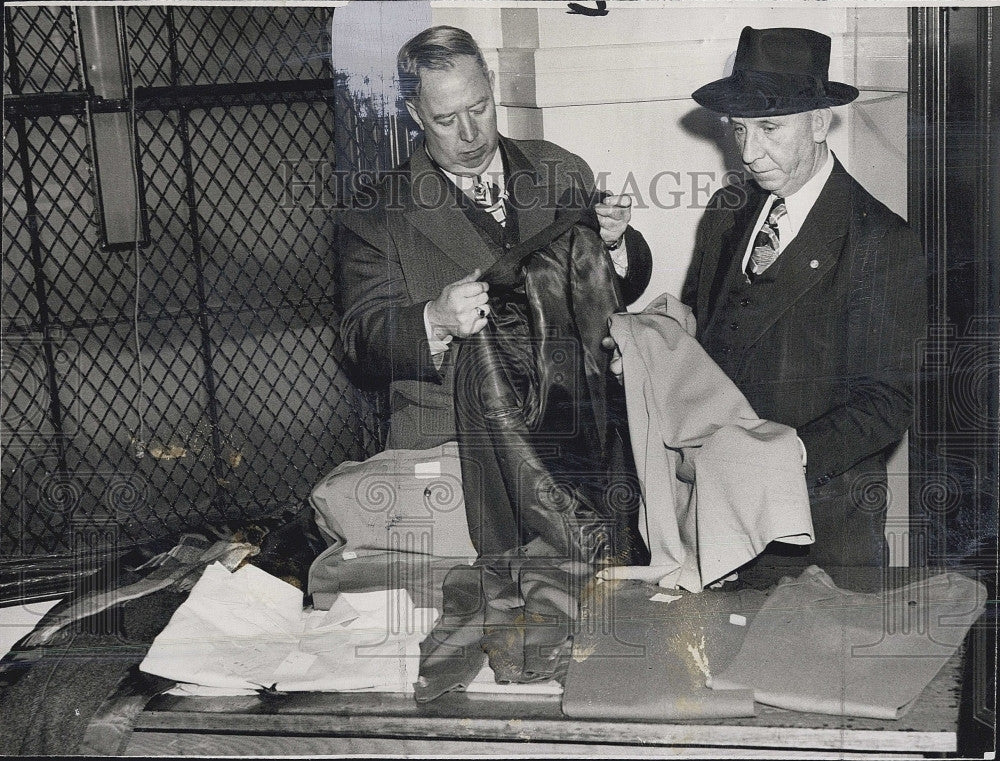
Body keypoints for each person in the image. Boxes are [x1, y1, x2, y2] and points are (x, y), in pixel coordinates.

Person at [681, 26, 926, 578]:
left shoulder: (881, 240)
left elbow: (887, 403)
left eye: (769, 128)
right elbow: (704, 332)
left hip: (821, 526)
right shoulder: (728, 210)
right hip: (718, 507)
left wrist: (786, 455)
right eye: (738, 130)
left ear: (819, 122)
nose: (749, 152)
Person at [337, 25, 652, 451]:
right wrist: (435, 318)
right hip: (456, 440)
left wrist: (615, 243)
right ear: (415, 113)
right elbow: (360, 342)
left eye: (480, 108)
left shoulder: (558, 166)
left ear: (492, 84)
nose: (469, 134)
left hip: (576, 430)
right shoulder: (376, 212)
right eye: (446, 120)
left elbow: (615, 293)